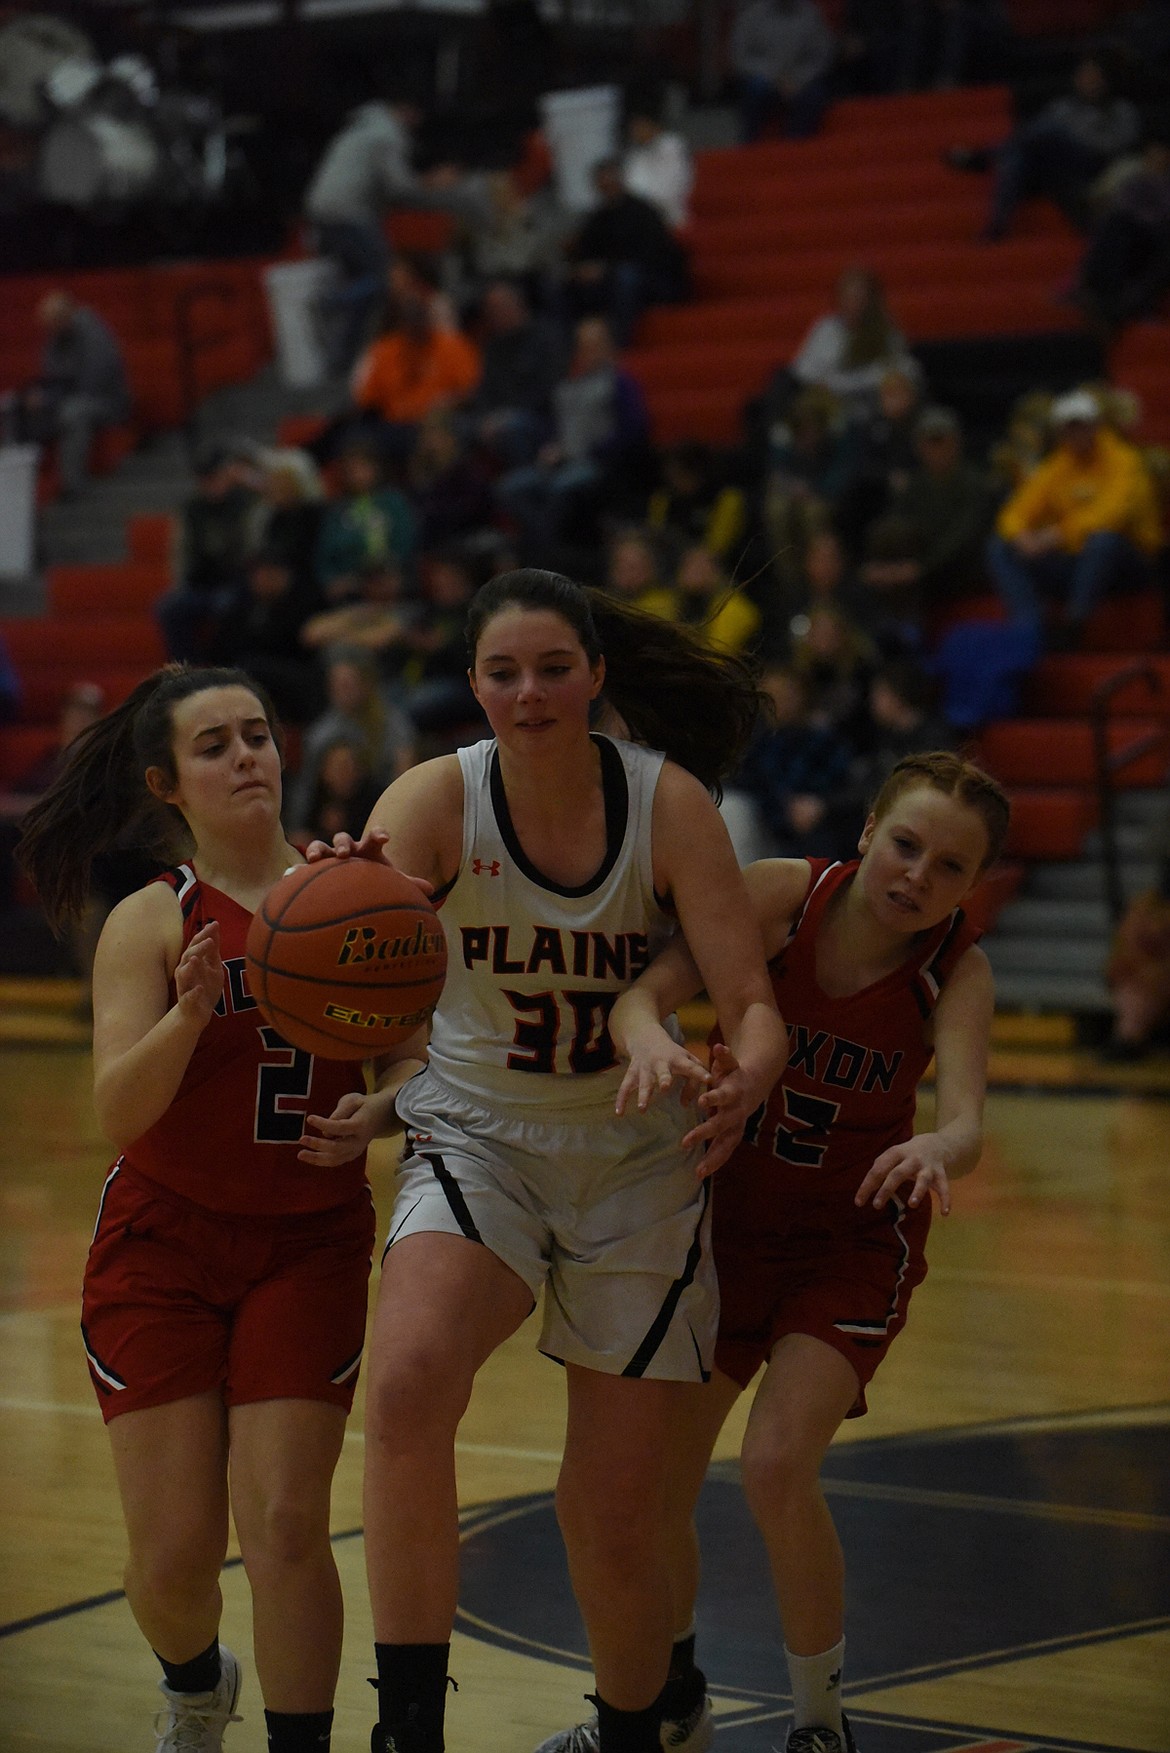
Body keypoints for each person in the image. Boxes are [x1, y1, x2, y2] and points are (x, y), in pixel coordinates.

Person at [307, 568, 789, 1753]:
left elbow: (754, 1003)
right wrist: (326, 897)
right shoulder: (433, 798)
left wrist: (745, 1083)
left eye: (553, 669)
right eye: (504, 672)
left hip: (639, 1158)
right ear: (473, 687)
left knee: (614, 1516)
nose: (529, 694)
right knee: (409, 1379)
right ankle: (407, 1727)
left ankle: (634, 1733)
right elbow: (348, 951)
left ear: (596, 677)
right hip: (480, 1134)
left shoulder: (669, 807)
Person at [541, 749, 1007, 1753]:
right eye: (907, 844)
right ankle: (675, 1698)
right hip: (724, 1229)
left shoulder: (955, 973)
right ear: (867, 832)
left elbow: (966, 1120)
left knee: (775, 1465)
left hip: (848, 1242)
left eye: (950, 867)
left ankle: (820, 1724)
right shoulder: (781, 898)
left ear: (972, 888)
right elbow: (641, 992)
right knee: (658, 1486)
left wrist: (934, 1143)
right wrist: (654, 1039)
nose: (918, 876)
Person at [16, 664, 383, 1753]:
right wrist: (187, 1015)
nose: (246, 757)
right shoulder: (150, 920)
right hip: (162, 1243)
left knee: (282, 1522)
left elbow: (419, 1056)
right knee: (173, 1561)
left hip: (307, 1241)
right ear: (168, 783)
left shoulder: (352, 895)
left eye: (257, 735)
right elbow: (119, 1113)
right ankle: (192, 1682)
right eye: (215, 744)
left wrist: (384, 1111)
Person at [986, 387, 1163, 647]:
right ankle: (1029, 626)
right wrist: (1021, 535)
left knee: (1103, 541)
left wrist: (1057, 534)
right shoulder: (1057, 466)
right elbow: (1014, 512)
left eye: (1082, 425)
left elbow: (1112, 514)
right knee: (1000, 546)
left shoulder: (1124, 460)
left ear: (1096, 426)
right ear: (1060, 432)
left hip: (1129, 561)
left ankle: (1075, 622)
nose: (1076, 433)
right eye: (1070, 427)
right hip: (1075, 558)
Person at [7, 290, 131, 499]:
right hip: (67, 396)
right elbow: (51, 376)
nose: (49, 329)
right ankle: (14, 484)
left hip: (107, 400)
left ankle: (73, 485)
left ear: (66, 315)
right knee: (12, 405)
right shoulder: (55, 336)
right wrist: (39, 395)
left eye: (52, 322)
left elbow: (95, 381)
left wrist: (51, 399)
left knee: (72, 413)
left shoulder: (92, 332)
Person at [562, 158, 692, 347]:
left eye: (610, 180)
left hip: (650, 277)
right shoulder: (597, 218)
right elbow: (586, 252)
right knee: (566, 283)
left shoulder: (642, 211)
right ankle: (572, 346)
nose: (607, 186)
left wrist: (607, 268)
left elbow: (652, 254)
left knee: (626, 277)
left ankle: (619, 343)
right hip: (609, 278)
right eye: (602, 182)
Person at [729, 0, 837, 142]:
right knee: (755, 89)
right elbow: (740, 56)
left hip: (800, 80)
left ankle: (795, 148)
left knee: (814, 95)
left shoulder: (811, 14)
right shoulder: (753, 14)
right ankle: (751, 146)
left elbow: (821, 56)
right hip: (764, 77)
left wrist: (798, 79)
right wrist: (774, 76)